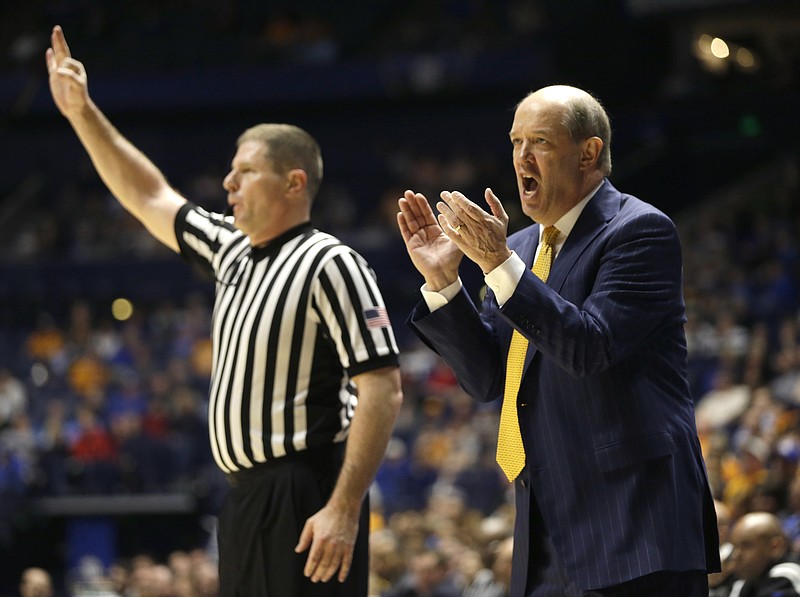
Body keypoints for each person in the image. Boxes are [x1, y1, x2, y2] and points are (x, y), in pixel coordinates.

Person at [46, 25, 403, 597]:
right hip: (243, 495)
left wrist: (344, 506)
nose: (227, 182)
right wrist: (81, 113)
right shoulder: (230, 247)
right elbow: (148, 195)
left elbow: (382, 389)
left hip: (306, 491)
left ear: (293, 182)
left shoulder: (330, 261)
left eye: (245, 172)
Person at [396, 84, 720, 596]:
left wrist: (499, 265)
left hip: (635, 524)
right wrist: (444, 283)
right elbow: (486, 380)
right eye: (516, 141)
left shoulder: (638, 231)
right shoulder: (518, 248)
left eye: (540, 142)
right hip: (548, 530)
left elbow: (589, 348)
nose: (522, 157)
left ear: (588, 152)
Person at [728, 511, 800, 597]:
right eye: (734, 547)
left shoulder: (788, 575)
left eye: (746, 546)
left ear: (774, 547)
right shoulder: (746, 582)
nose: (736, 555)